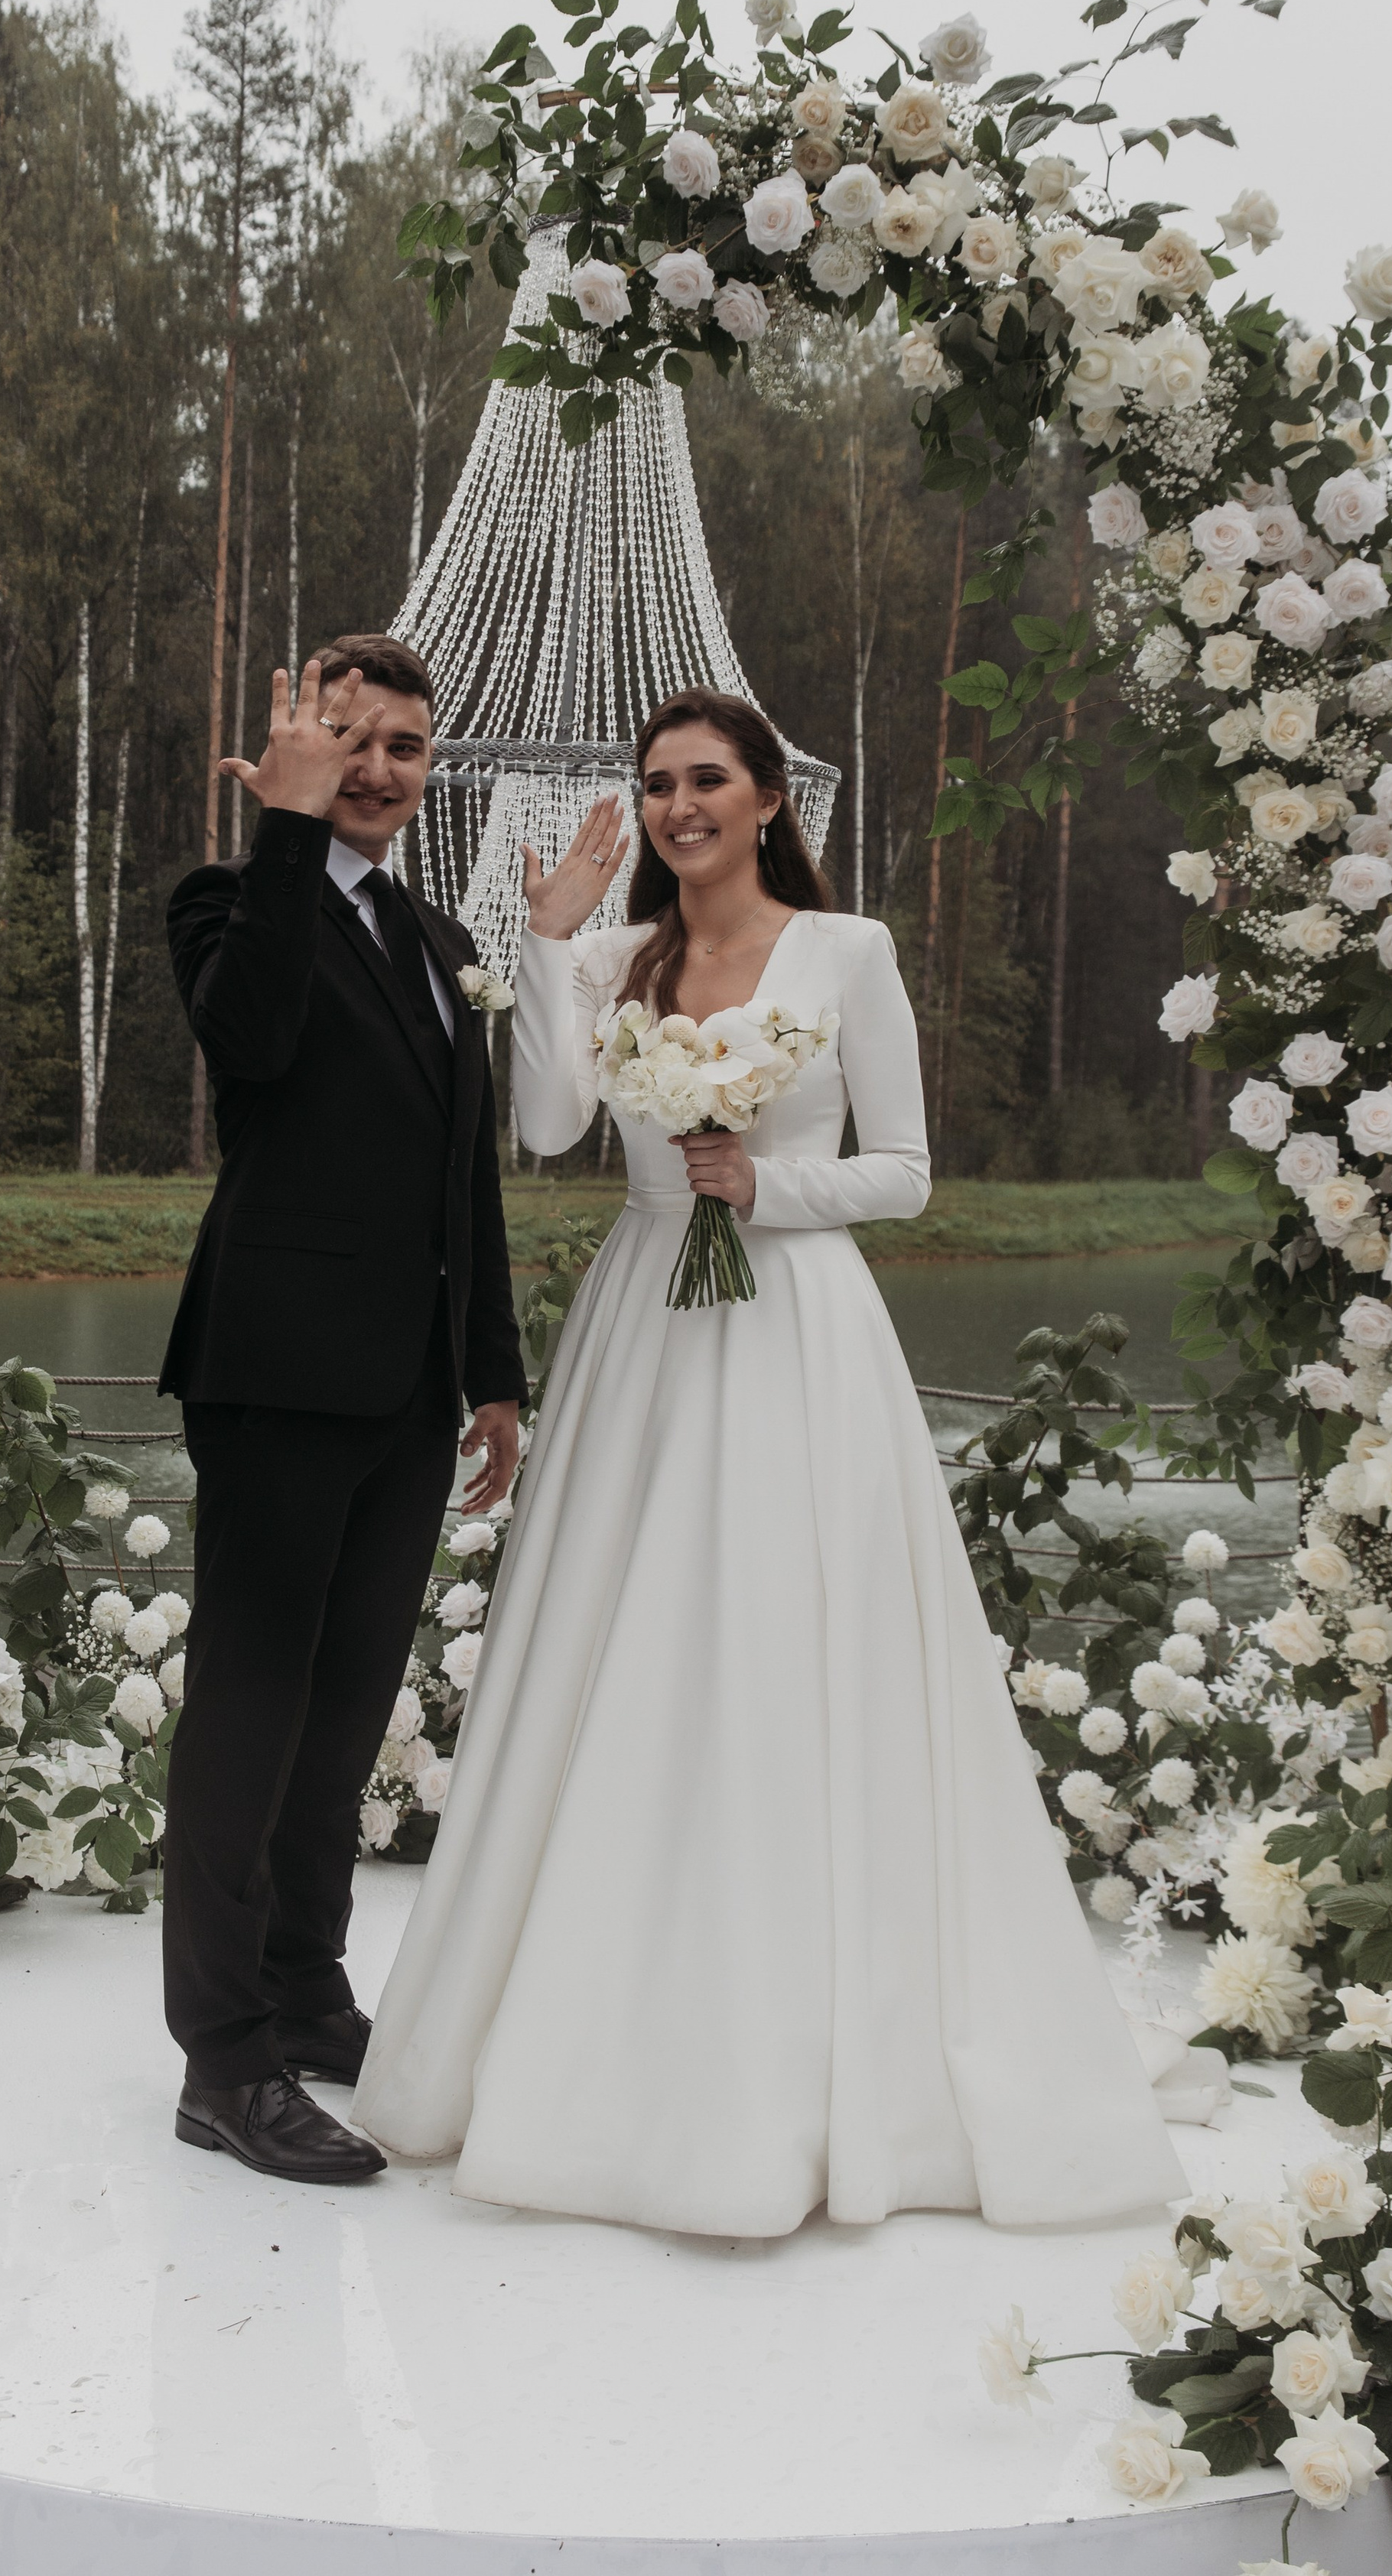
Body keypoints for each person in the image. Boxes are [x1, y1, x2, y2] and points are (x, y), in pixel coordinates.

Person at [351, 686, 1182, 2237]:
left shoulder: (843, 952)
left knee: (792, 1652)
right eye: (657, 783)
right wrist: (546, 939)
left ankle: (806, 2057)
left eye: (704, 780)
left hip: (794, 1328)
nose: (677, 808)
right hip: (643, 1334)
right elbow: (539, 1128)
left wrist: (767, 1182)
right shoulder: (611, 956)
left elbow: (909, 1172)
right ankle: (585, 2034)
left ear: (763, 798)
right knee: (626, 1654)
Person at [157, 636, 525, 2187]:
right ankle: (220, 2059)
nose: (380, 768)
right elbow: (251, 1048)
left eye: (406, 749)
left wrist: (494, 1368)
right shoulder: (230, 901)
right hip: (273, 1371)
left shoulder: (444, 943)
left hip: (406, 1387)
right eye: (351, 740)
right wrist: (287, 834)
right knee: (248, 1708)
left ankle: (307, 1991)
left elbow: (466, 1175)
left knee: (344, 1714)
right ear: (297, 741)